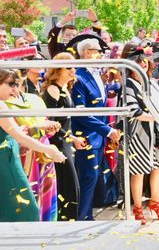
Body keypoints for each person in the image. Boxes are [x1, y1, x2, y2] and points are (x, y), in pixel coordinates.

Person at [0, 69, 66, 222]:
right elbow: (19, 135)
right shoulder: (2, 106)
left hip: (9, 159)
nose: (15, 89)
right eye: (10, 84)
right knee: (26, 210)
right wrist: (49, 149)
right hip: (7, 162)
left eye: (17, 85)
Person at [70, 35, 120, 220]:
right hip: (86, 135)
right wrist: (107, 130)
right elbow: (82, 113)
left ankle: (87, 214)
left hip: (98, 135)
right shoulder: (79, 77)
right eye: (98, 51)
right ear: (87, 53)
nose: (101, 54)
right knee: (88, 177)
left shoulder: (97, 73)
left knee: (94, 176)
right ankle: (83, 216)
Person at [120, 44, 159, 224]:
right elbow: (133, 111)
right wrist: (156, 117)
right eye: (138, 62)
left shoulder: (153, 83)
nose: (143, 64)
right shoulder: (128, 85)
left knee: (158, 166)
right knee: (139, 170)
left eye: (144, 61)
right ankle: (138, 206)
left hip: (155, 131)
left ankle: (155, 202)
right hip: (138, 132)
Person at [41, 52, 83, 221]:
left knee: (72, 185)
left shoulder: (67, 88)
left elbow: (64, 123)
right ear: (58, 69)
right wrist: (72, 138)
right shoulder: (53, 89)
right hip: (58, 143)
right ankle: (65, 221)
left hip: (66, 141)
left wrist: (73, 138)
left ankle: (70, 220)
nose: (73, 70)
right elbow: (51, 123)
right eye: (68, 67)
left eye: (74, 66)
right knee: (68, 185)